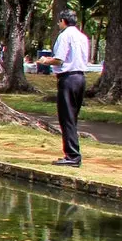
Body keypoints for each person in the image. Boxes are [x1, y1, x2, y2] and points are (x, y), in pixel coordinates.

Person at [37, 10, 89, 166]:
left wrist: (45, 61)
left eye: (59, 22)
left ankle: (72, 155)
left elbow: (59, 60)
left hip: (68, 78)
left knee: (66, 118)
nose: (58, 24)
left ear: (63, 21)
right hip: (80, 77)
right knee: (72, 117)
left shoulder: (65, 35)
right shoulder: (82, 36)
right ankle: (72, 153)